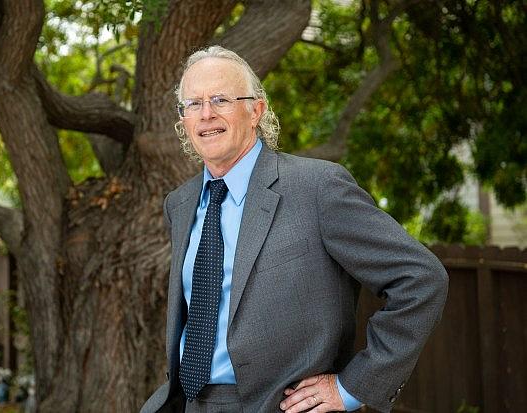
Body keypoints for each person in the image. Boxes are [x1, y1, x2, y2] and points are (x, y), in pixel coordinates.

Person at [141, 46, 448, 413]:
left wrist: (352, 387)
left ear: (256, 110)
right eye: (193, 104)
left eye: (220, 99)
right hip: (188, 403)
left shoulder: (317, 187)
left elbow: (420, 278)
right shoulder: (181, 202)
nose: (206, 114)